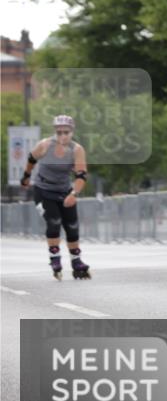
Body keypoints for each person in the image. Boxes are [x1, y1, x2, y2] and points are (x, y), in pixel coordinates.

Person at [21, 115, 91, 280]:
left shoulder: (77, 149)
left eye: (66, 132)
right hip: (43, 190)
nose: (62, 136)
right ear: (55, 132)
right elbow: (31, 159)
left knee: (72, 225)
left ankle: (76, 261)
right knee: (54, 222)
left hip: (65, 190)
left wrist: (74, 194)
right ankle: (55, 259)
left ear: (72, 132)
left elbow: (81, 175)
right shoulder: (45, 145)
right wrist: (25, 176)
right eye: (59, 132)